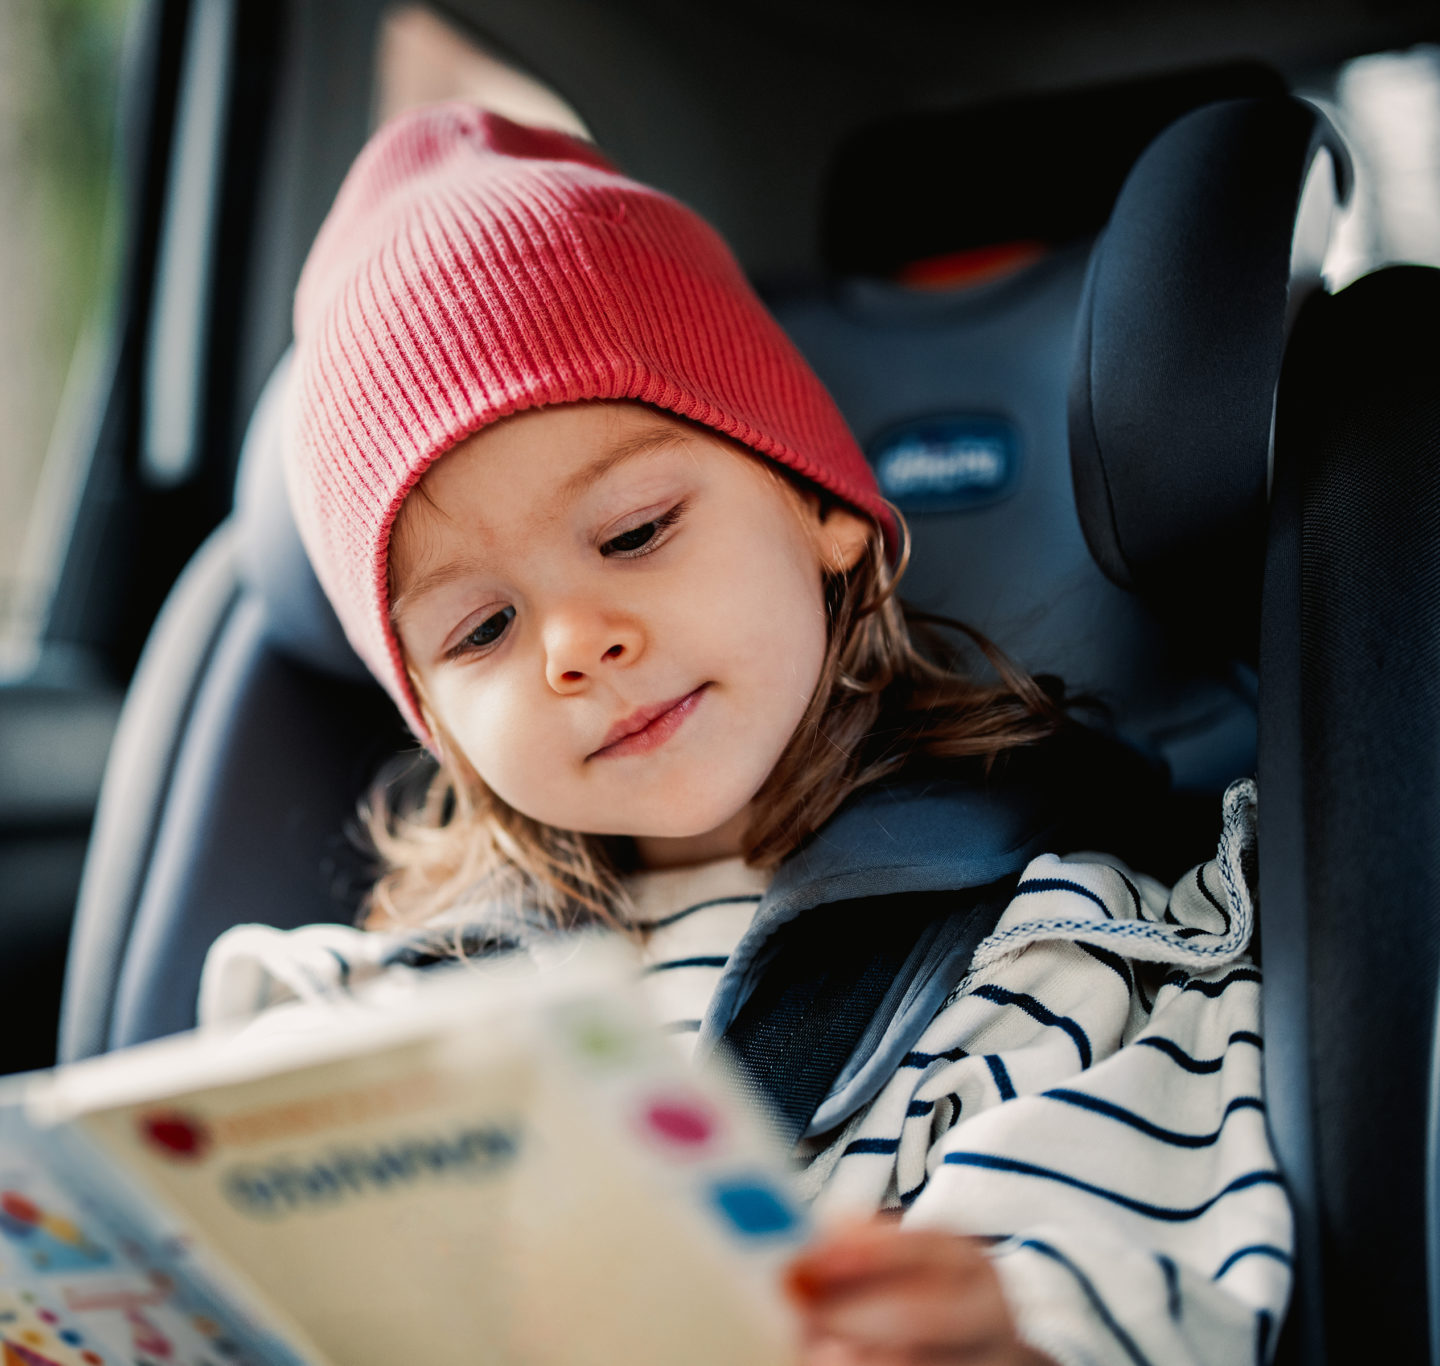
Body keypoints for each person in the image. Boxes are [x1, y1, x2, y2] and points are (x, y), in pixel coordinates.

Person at [194, 103, 1291, 1366]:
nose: (573, 643)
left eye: (634, 532)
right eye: (482, 628)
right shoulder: (363, 1034)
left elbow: (1131, 1281)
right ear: (432, 722)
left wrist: (1002, 1334)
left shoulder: (1045, 960)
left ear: (820, 505)